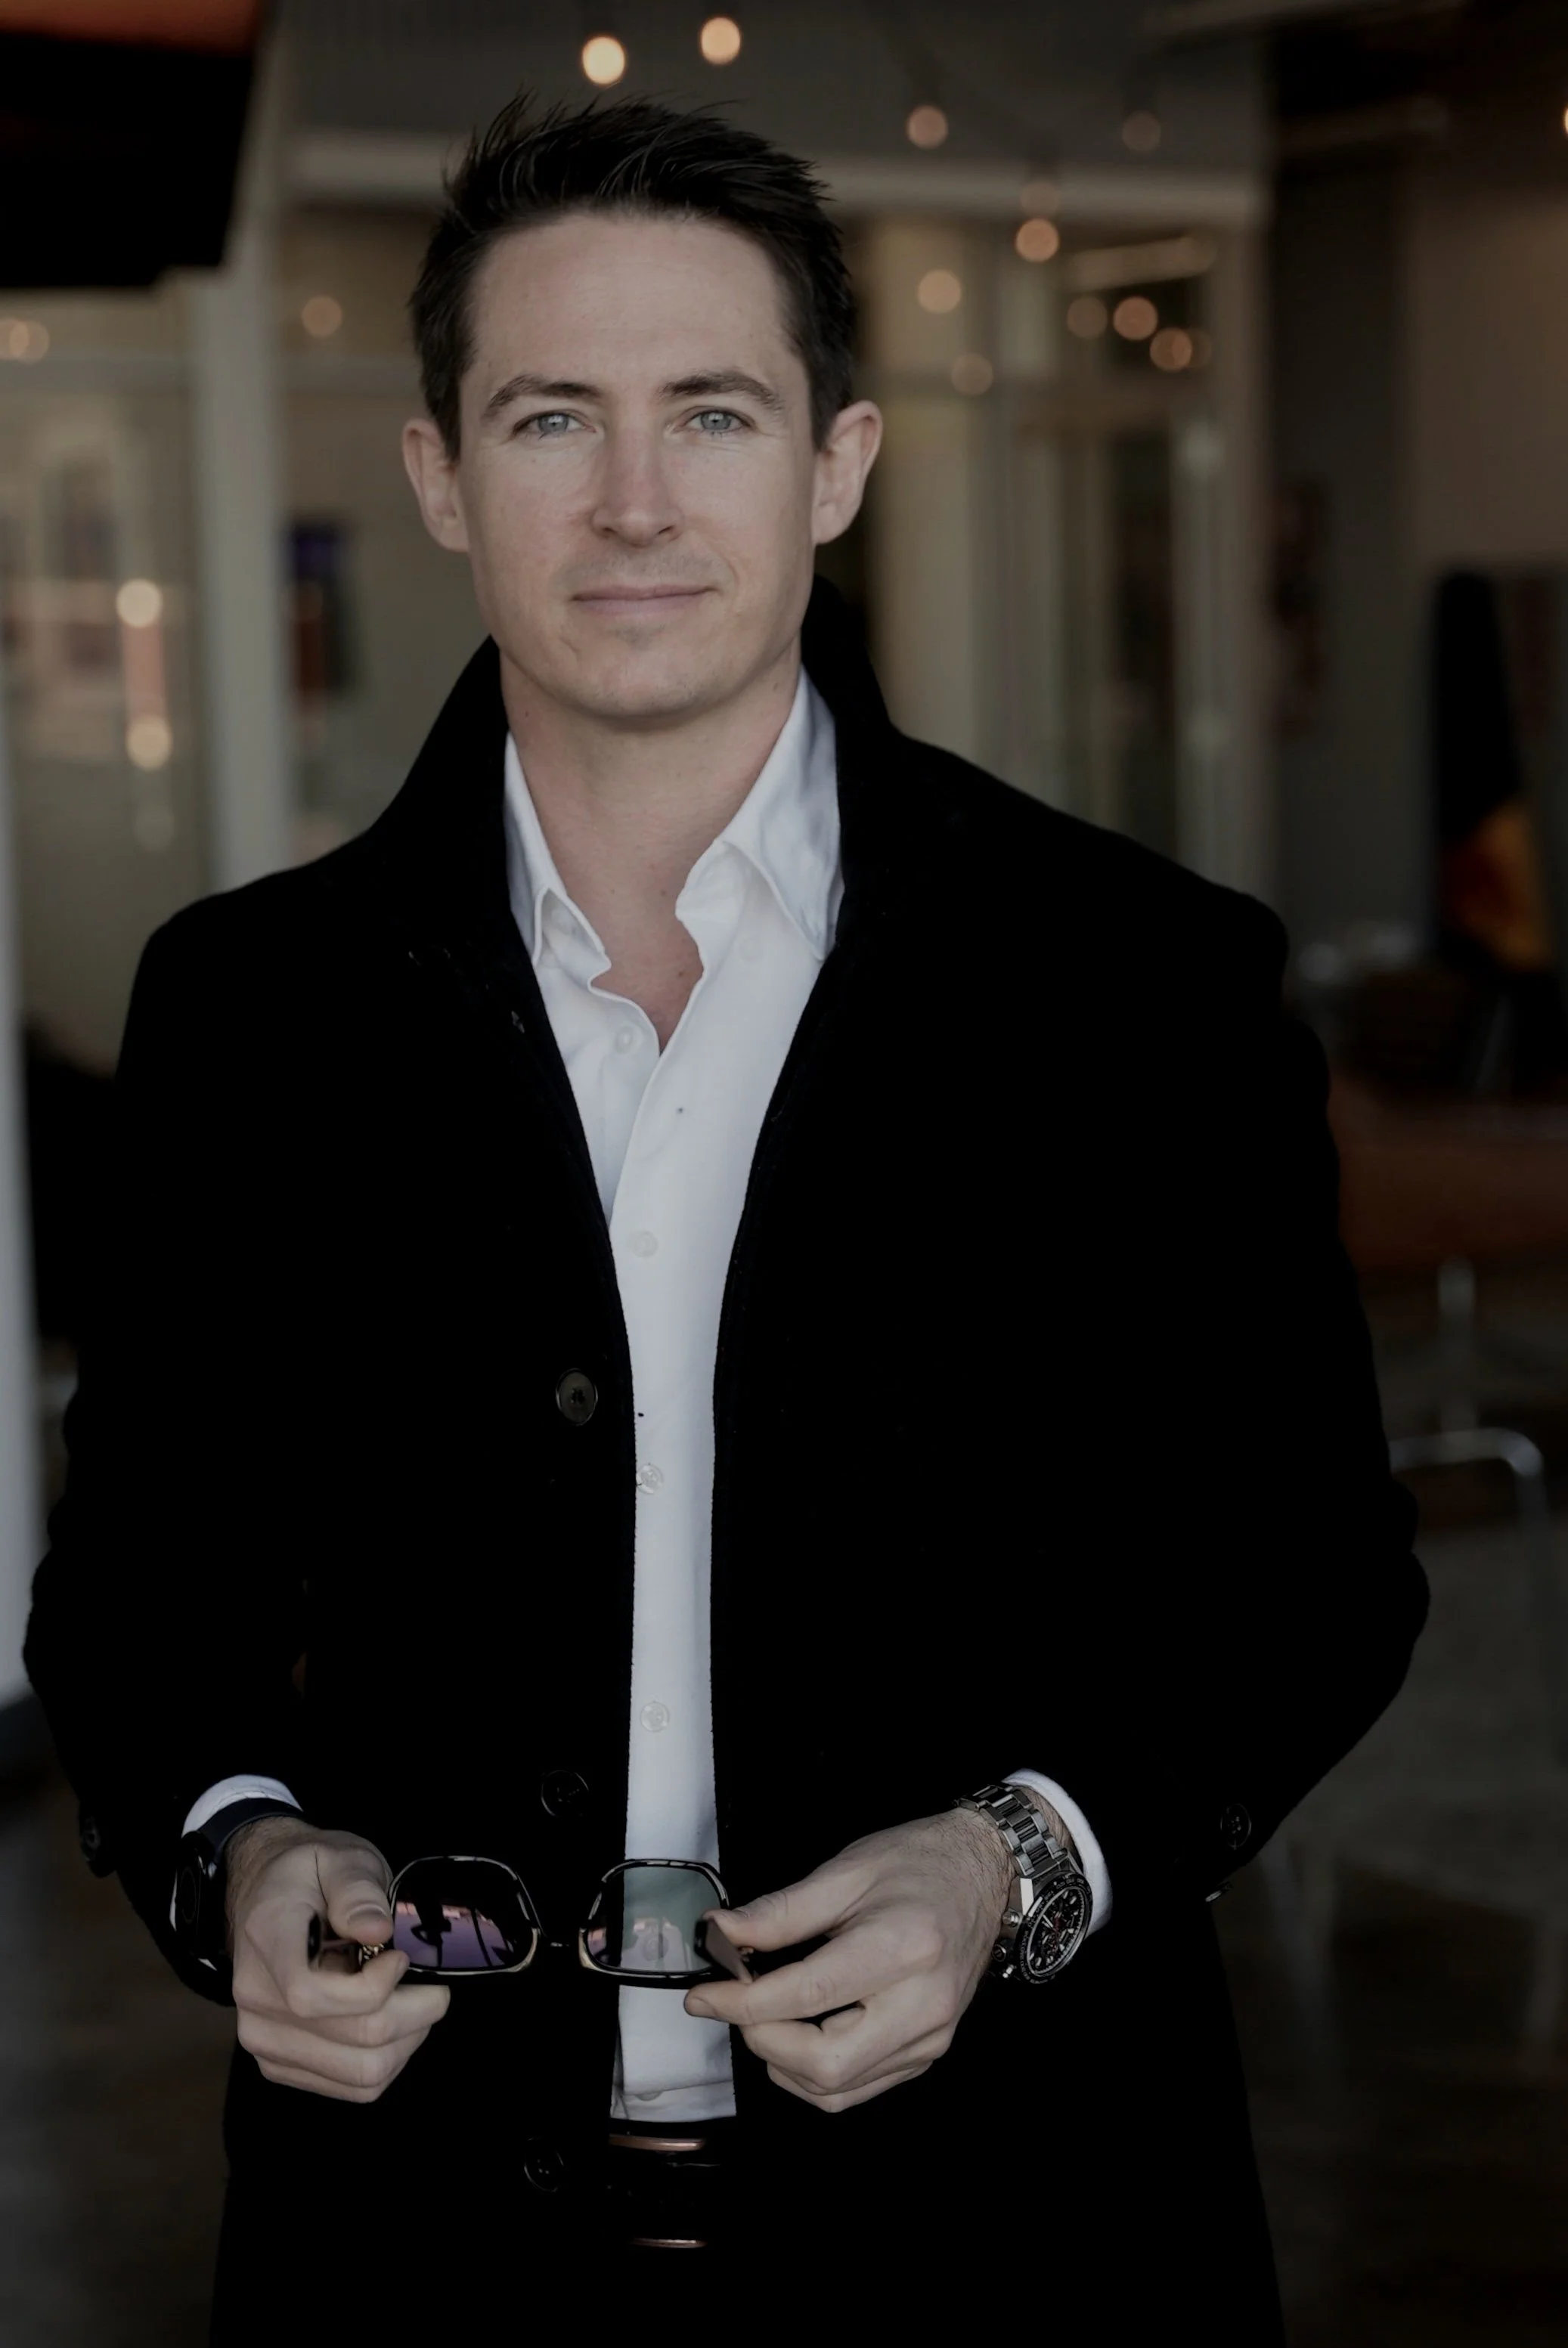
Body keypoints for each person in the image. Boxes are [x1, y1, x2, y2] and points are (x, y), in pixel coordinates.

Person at [26, 92, 1427, 2333]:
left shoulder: (1138, 982)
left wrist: (1019, 1867)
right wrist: (237, 1852)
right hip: (411, 2251)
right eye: (551, 414)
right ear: (438, 476)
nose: (637, 500)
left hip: (1019, 2227)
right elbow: (135, 1591)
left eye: (715, 411)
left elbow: (1313, 1575)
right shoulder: (249, 1009)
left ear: (840, 464)